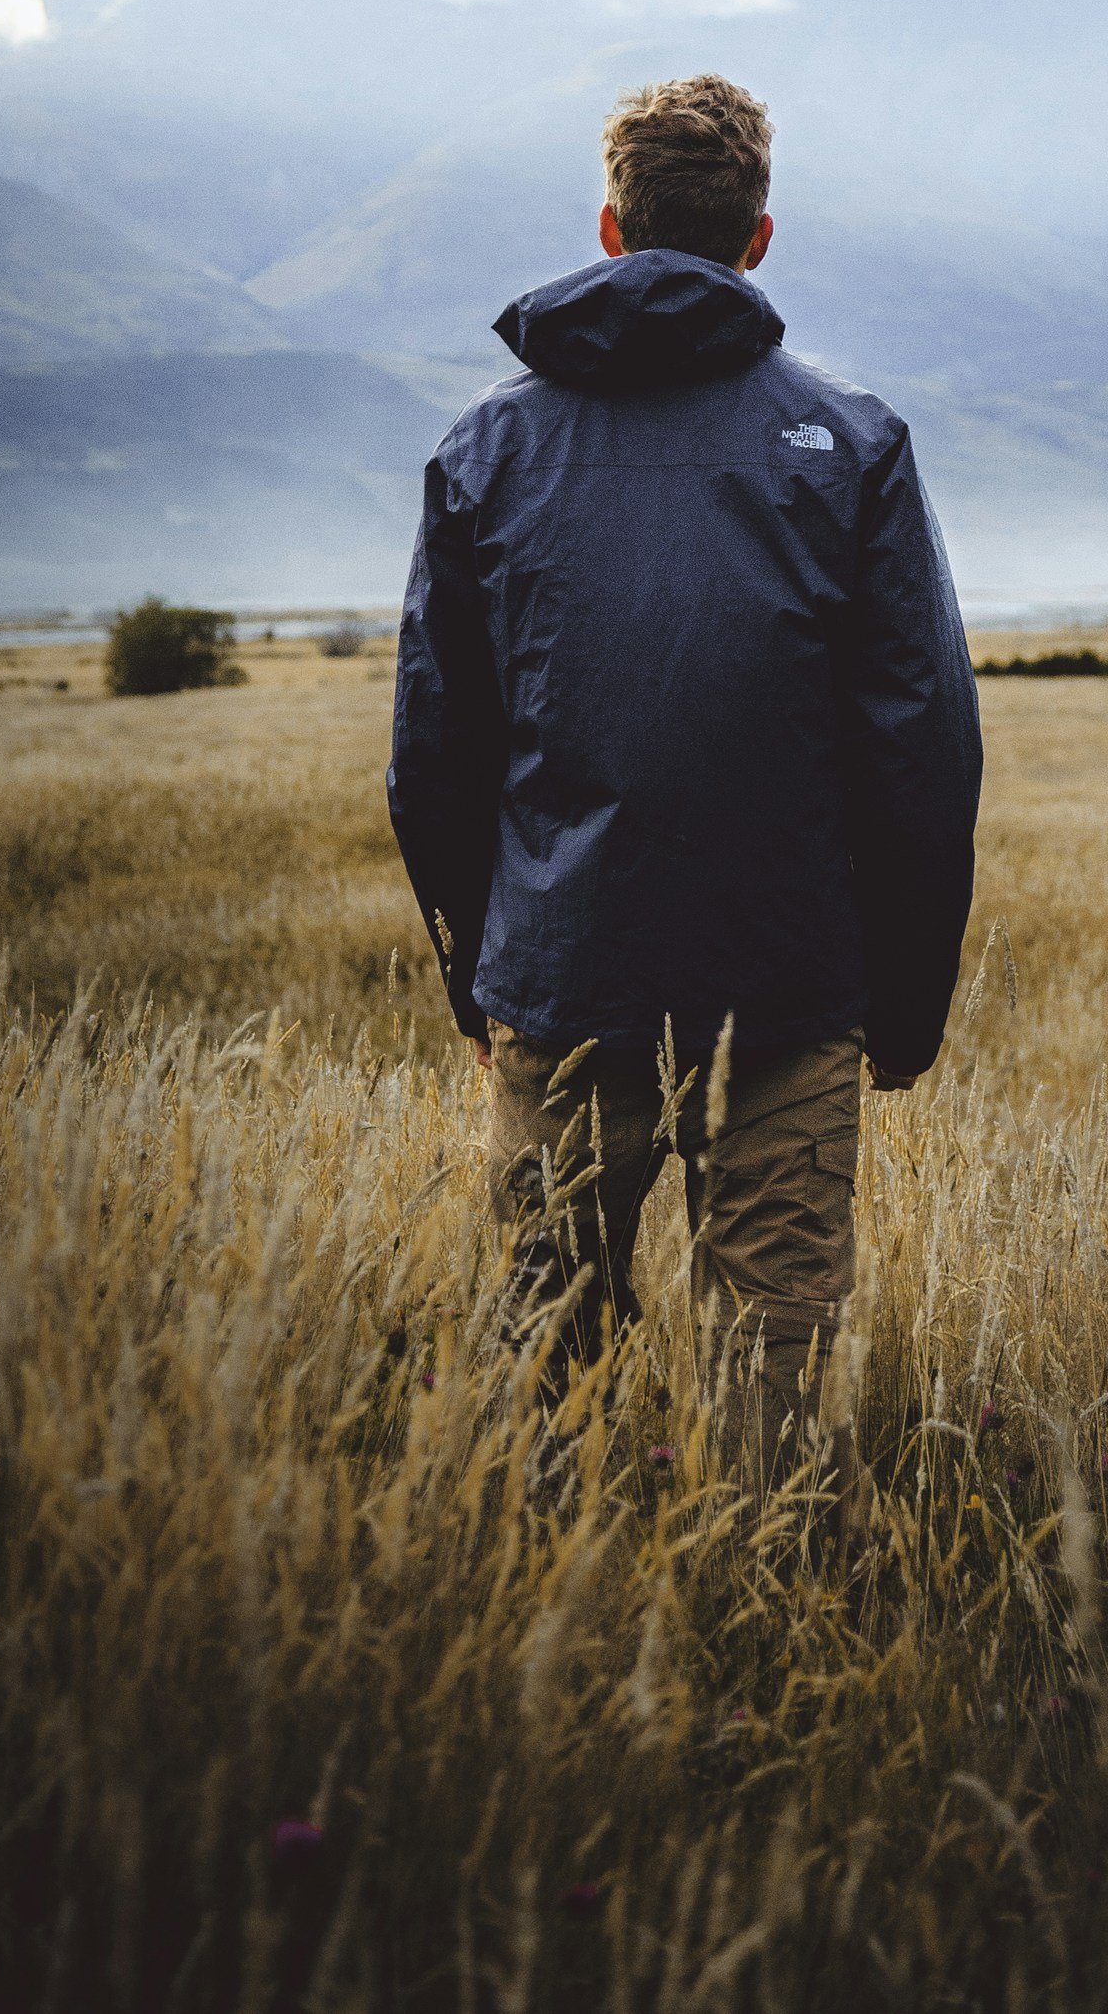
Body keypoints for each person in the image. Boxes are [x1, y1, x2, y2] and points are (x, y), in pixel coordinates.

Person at [388, 73, 981, 1495]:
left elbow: (434, 755)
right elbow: (926, 750)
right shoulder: (853, 447)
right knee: (776, 1372)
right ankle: (769, 1643)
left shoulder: (486, 451)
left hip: (562, 980)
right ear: (759, 238)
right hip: (791, 991)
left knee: (551, 1353)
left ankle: (557, 1638)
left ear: (610, 228)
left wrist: (479, 973)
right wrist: (901, 1004)